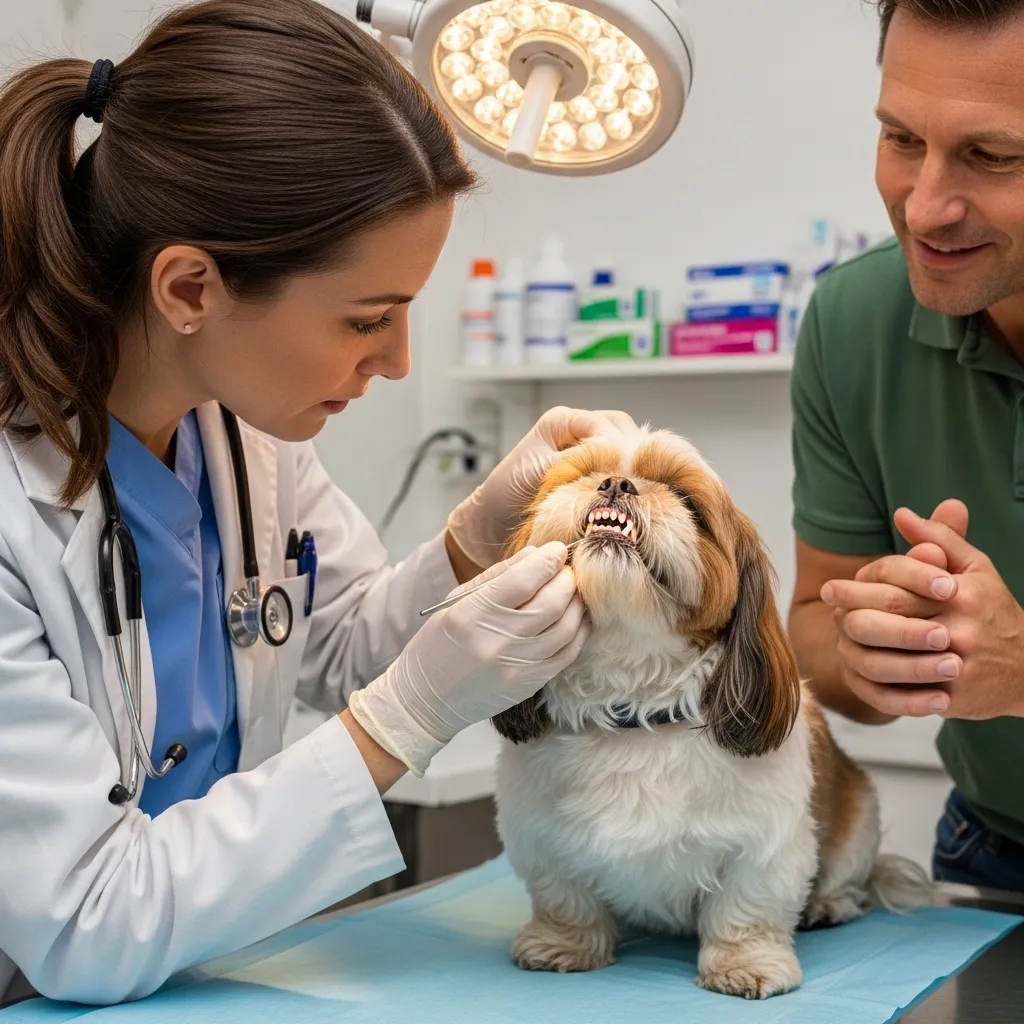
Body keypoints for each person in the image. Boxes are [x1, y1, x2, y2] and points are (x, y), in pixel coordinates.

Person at [0, 0, 635, 1006]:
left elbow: (339, 647)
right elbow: (88, 917)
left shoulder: (243, 437)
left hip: (184, 975)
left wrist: (474, 538)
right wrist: (408, 715)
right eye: (365, 319)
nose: (395, 362)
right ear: (189, 288)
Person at [789, 0, 1024, 894]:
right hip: (993, 853)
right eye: (899, 138)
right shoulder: (855, 324)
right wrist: (867, 651)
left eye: (992, 156)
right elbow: (810, 622)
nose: (925, 207)